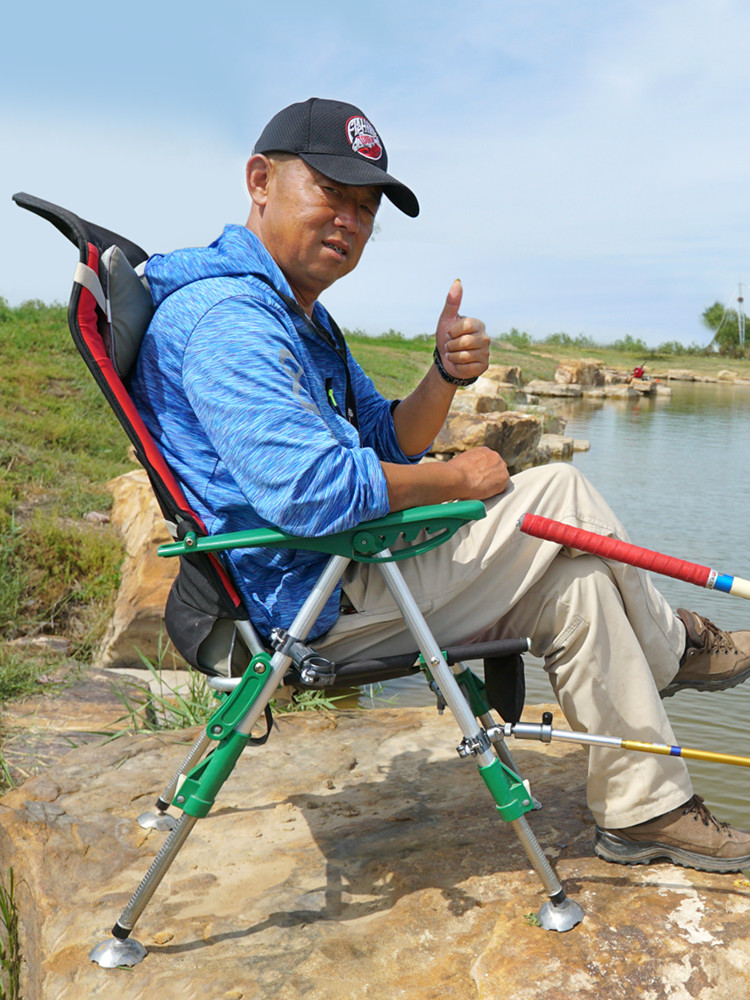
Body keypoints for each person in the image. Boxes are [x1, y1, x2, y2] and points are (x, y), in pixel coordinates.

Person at [131, 97, 750, 872]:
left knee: (583, 584)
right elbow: (312, 491)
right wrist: (460, 476)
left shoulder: (299, 317)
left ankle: (645, 811)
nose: (350, 222)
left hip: (349, 567)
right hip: (312, 596)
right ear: (260, 180)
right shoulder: (230, 319)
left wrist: (446, 374)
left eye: (365, 208)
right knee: (558, 490)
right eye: (331, 193)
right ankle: (679, 649)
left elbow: (388, 437)